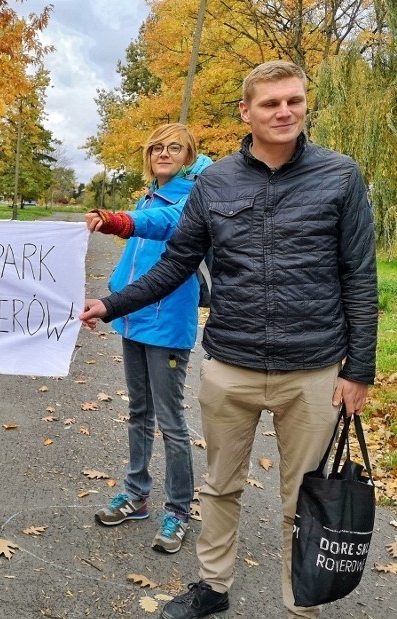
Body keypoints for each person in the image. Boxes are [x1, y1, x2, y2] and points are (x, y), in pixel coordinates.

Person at [79, 60, 377, 619]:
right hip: (231, 365)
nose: (284, 111)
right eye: (270, 103)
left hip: (312, 371)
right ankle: (212, 587)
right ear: (247, 111)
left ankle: (300, 604)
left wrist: (359, 370)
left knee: (301, 496)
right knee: (220, 487)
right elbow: (176, 264)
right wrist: (111, 304)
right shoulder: (214, 184)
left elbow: (359, 277)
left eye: (294, 100)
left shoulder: (340, 176)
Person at [88, 123, 212, 555]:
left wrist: (119, 221)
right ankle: (136, 494)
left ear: (189, 155)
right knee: (139, 411)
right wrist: (108, 303)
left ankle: (178, 509)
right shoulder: (150, 194)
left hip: (167, 324)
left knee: (171, 421)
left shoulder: (191, 196)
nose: (163, 153)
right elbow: (133, 261)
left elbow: (163, 226)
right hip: (134, 319)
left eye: (174, 147)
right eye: (156, 147)